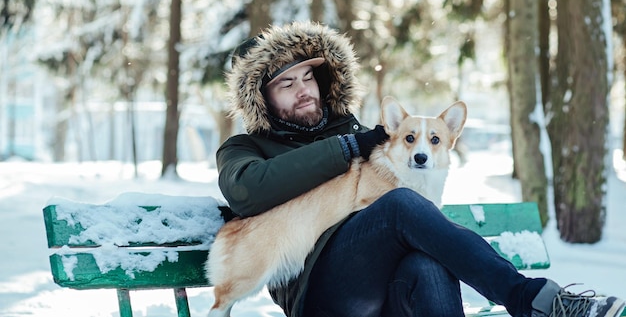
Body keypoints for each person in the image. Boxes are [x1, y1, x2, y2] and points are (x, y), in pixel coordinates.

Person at [216, 20, 624, 317]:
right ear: (262, 98)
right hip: (318, 291)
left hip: (382, 282)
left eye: (308, 77)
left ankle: (535, 302)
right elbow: (247, 189)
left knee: (429, 264)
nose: (304, 89)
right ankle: (534, 300)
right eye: (287, 84)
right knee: (400, 204)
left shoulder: (357, 130)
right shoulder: (246, 147)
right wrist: (346, 147)